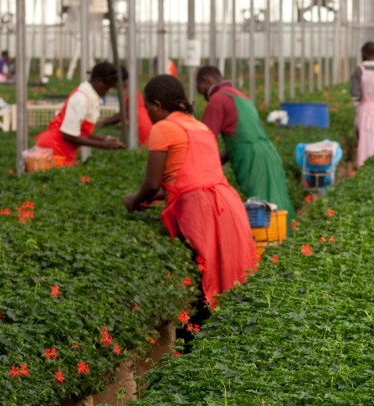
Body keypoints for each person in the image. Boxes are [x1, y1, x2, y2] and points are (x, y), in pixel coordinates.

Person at [123, 74, 258, 316]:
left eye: (147, 108)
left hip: (201, 209)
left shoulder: (164, 128)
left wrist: (134, 200)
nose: (148, 114)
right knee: (229, 273)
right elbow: (191, 179)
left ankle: (198, 340)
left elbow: (153, 183)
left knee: (203, 272)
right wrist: (153, 198)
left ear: (156, 104)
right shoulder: (200, 126)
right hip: (227, 203)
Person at [196, 65, 295, 224]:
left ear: (206, 81)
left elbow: (202, 143)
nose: (204, 98)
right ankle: (287, 244)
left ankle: (273, 248)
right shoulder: (240, 96)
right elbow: (234, 144)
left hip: (252, 160)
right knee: (276, 203)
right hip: (267, 154)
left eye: (201, 91)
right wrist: (215, 165)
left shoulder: (217, 99)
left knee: (263, 211)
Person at [34, 62, 125, 167]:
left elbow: (80, 131)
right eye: (107, 87)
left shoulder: (89, 97)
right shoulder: (80, 99)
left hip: (63, 150)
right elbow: (68, 135)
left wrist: (104, 139)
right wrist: (102, 145)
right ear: (99, 82)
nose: (107, 92)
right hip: (53, 149)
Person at [95, 66, 153, 146]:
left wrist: (103, 123)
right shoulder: (129, 88)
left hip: (141, 125)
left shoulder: (125, 91)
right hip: (143, 124)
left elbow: (122, 114)